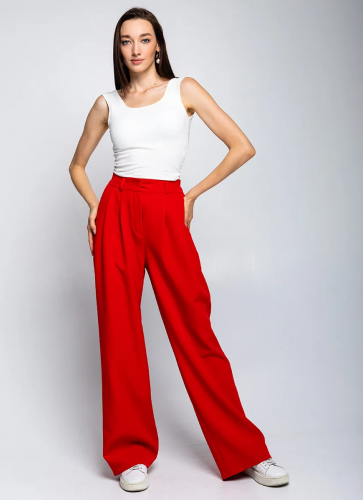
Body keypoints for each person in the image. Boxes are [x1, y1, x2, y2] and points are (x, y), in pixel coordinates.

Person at [69, 7, 289, 493]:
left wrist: (192, 194)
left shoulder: (183, 90)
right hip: (118, 209)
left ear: (158, 46)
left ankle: (247, 451)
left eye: (144, 39)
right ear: (118, 49)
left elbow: (241, 146)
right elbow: (77, 165)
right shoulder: (108, 103)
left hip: (167, 207)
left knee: (194, 327)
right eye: (126, 40)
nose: (135, 49)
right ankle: (130, 454)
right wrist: (94, 205)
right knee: (120, 333)